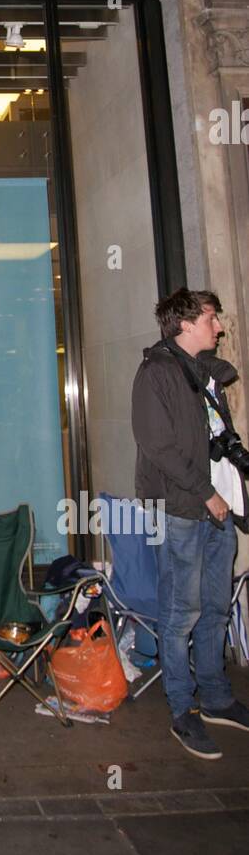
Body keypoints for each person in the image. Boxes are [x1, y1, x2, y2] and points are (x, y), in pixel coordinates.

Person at [132, 287, 249, 760]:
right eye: (211, 318)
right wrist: (206, 493)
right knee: (183, 612)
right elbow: (158, 445)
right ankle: (183, 709)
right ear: (184, 323)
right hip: (183, 507)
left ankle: (217, 696)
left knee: (216, 606)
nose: (219, 326)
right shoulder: (155, 374)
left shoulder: (203, 375)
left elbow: (216, 435)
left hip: (217, 505)